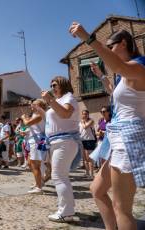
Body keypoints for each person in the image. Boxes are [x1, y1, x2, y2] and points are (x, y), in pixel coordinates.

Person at [70, 23, 145, 230]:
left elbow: (119, 67)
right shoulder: (126, 74)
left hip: (129, 138)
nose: (109, 50)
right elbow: (115, 91)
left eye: (111, 46)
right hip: (118, 138)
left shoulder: (139, 66)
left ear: (123, 43)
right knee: (97, 190)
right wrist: (101, 76)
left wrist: (89, 39)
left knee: (122, 208)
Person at [41, 76, 80, 222]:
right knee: (61, 176)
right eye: (51, 85)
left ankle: (66, 212)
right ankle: (66, 209)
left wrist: (50, 100)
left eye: (55, 84)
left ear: (63, 85)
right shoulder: (57, 101)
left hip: (65, 141)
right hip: (58, 142)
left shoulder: (68, 98)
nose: (52, 87)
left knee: (59, 176)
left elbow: (65, 114)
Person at [22, 99, 47, 194]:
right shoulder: (35, 115)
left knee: (35, 164)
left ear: (40, 106)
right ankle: (38, 182)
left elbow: (27, 123)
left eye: (35, 104)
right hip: (33, 140)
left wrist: (24, 117)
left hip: (37, 141)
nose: (32, 105)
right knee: (30, 162)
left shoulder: (40, 115)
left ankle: (39, 187)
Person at [79, 110, 96, 179]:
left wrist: (82, 122)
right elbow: (80, 131)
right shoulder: (80, 122)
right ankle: (87, 173)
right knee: (85, 159)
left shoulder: (91, 121)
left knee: (89, 159)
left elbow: (85, 127)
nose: (84, 115)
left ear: (88, 115)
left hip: (89, 141)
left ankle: (92, 174)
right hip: (82, 141)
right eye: (83, 114)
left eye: (86, 114)